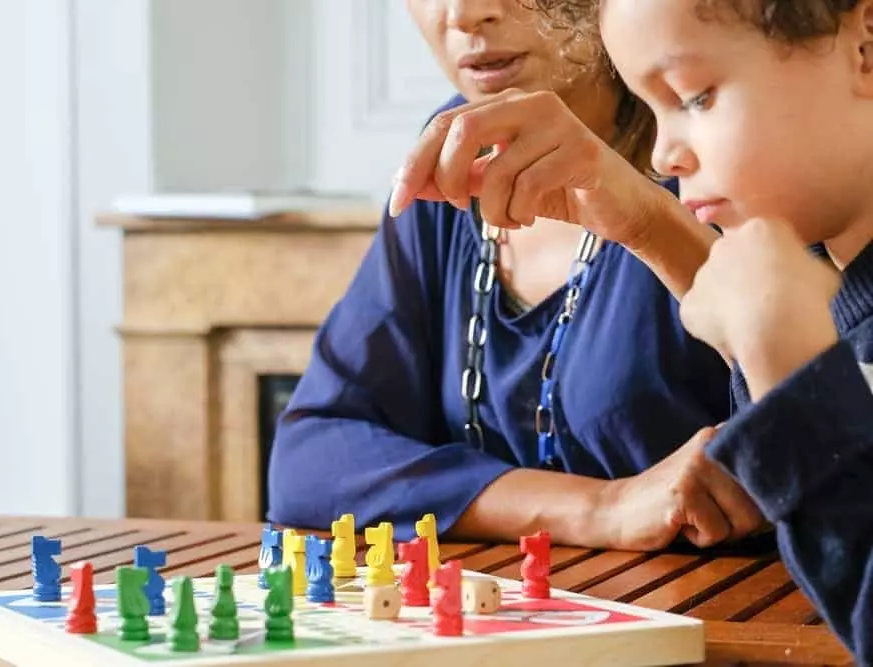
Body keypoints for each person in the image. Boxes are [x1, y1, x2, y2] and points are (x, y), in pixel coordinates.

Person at [456, 0, 873, 660]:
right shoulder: (814, 284)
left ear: (865, 45)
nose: (663, 153)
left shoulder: (794, 321)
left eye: (695, 96)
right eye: (650, 111)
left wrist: (793, 372)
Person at [266, 0, 762, 550]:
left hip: (732, 622)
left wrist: (654, 228)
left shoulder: (731, 155)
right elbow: (311, 458)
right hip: (508, 621)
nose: (462, 14)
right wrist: (599, 508)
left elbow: (828, 433)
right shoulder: (457, 154)